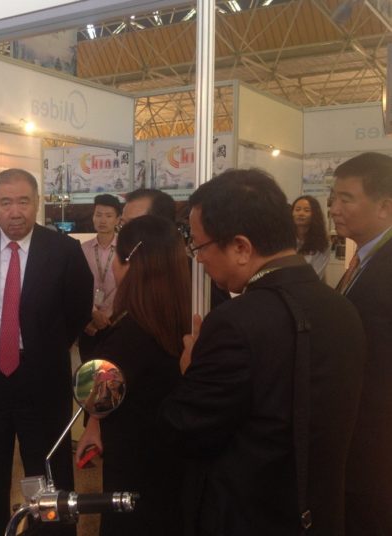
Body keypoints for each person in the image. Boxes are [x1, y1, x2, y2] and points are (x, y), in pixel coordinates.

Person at [159, 168, 365, 535]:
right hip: (321, 510)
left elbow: (185, 431)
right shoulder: (342, 307)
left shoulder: (235, 322)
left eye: (200, 246)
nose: (198, 259)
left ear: (241, 247)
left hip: (251, 514)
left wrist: (191, 370)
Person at [0, 168, 93, 535]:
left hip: (41, 374)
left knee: (48, 465)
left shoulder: (64, 250)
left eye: (23, 201)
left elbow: (78, 308)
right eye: (5, 202)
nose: (15, 211)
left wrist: (45, 345)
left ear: (36, 203)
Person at [76, 215, 189, 535]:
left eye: (118, 258)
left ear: (131, 265)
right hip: (173, 462)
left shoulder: (131, 333)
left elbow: (93, 386)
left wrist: (94, 418)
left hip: (134, 468)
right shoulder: (183, 319)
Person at [329, 152, 392, 536]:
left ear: (385, 206)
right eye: (332, 198)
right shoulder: (365, 257)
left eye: (346, 199)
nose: (334, 209)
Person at [79, 194, 121, 359]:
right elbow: (77, 286)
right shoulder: (82, 249)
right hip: (88, 324)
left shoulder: (125, 249)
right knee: (88, 375)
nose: (102, 220)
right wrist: (92, 314)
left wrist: (106, 316)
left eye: (109, 216)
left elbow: (124, 286)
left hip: (115, 323)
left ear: (118, 219)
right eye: (98, 215)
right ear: (93, 217)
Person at [292, 195, 330, 279]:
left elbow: (315, 276)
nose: (301, 213)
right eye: (297, 210)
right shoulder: (283, 239)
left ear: (315, 215)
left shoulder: (322, 243)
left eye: (306, 210)